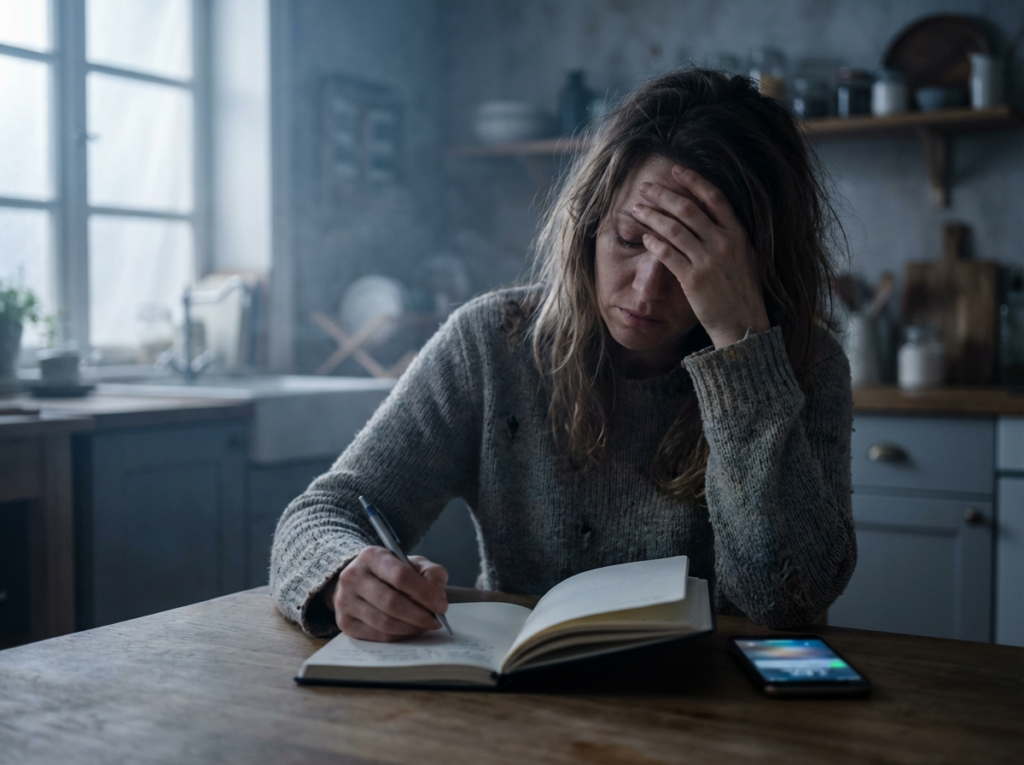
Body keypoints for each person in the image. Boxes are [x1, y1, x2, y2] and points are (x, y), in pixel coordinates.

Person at [270, 67, 855, 642]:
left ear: (752, 263)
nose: (647, 288)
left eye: (691, 260)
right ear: (589, 225)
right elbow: (320, 515)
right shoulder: (492, 342)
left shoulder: (809, 361)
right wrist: (347, 575)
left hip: (718, 715)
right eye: (629, 240)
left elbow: (787, 602)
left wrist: (743, 352)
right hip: (523, 708)